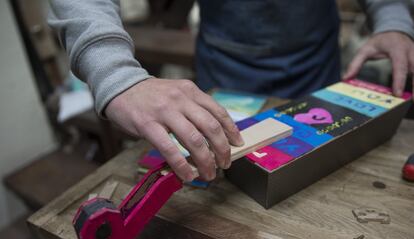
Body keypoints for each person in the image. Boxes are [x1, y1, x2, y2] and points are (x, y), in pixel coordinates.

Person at [48, 0, 414, 182]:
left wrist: (394, 17)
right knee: (220, 180)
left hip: (317, 68)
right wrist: (114, 73)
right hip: (224, 76)